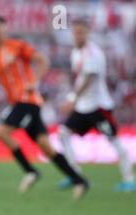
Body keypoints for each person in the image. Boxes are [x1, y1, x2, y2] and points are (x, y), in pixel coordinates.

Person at [0, 14, 89, 200]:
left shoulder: (17, 46)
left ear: (5, 28)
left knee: (2, 130)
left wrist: (35, 81)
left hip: (27, 100)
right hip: (20, 103)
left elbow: (42, 60)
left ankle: (30, 171)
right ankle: (79, 181)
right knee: (46, 147)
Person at [58, 18, 135, 192]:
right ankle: (74, 174)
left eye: (81, 32)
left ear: (87, 33)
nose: (78, 35)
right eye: (75, 32)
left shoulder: (93, 52)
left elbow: (90, 79)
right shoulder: (75, 53)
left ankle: (129, 179)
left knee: (113, 140)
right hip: (83, 107)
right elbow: (78, 78)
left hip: (98, 106)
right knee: (63, 133)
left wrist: (72, 99)